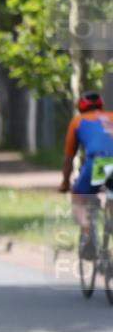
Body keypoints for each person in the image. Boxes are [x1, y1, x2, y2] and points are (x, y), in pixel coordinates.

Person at [60, 90, 113, 259]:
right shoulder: (111, 116)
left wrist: (65, 183)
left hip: (99, 163)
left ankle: (88, 231)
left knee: (78, 198)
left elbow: (69, 157)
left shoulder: (77, 121)